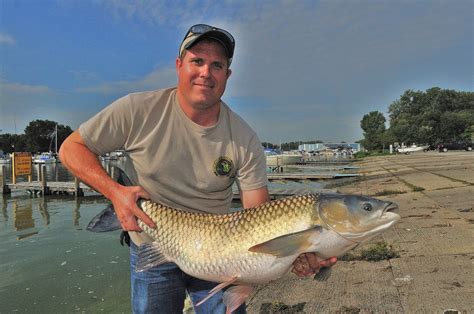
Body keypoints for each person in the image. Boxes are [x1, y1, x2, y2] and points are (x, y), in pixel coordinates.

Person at [59, 23, 336, 314]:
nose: (206, 72)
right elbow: (70, 149)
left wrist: (298, 253)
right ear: (179, 66)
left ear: (227, 76)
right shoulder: (136, 110)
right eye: (197, 61)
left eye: (217, 65)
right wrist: (115, 193)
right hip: (154, 240)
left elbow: (260, 217)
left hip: (219, 254)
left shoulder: (244, 138)